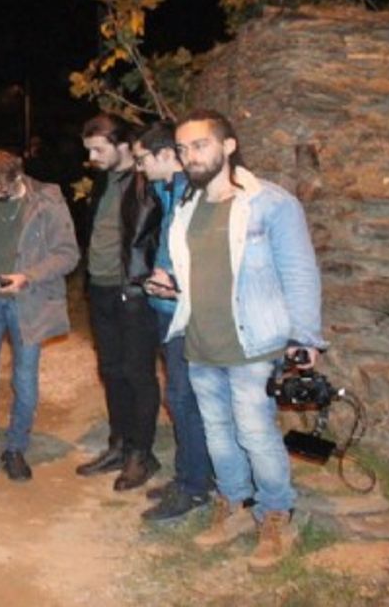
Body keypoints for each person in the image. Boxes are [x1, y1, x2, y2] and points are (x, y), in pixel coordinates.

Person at [149, 109, 327, 573]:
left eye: (200, 145)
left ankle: (276, 513)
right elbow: (200, 271)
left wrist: (304, 336)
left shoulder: (270, 203)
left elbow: (299, 272)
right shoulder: (187, 207)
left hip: (253, 340)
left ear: (228, 146)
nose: (189, 156)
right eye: (183, 149)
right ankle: (233, 502)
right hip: (200, 339)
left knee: (254, 431)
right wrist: (170, 284)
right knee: (217, 431)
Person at [0, 149, 79, 486]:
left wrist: (29, 276)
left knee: (25, 379)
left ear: (17, 176)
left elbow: (68, 254)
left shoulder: (48, 202)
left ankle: (16, 449)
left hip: (28, 303)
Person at [75, 114, 163, 492]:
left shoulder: (148, 182)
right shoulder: (104, 181)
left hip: (134, 291)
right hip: (101, 288)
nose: (92, 157)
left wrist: (146, 280)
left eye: (98, 149)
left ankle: (141, 454)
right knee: (110, 370)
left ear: (123, 145)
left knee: (137, 373)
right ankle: (119, 444)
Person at [133, 123, 213, 521]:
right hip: (168, 309)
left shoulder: (191, 191)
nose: (138, 167)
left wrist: (175, 283)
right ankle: (190, 476)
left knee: (184, 399)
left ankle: (195, 486)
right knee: (181, 397)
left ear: (165, 155)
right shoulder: (168, 189)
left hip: (185, 313)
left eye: (142, 159)